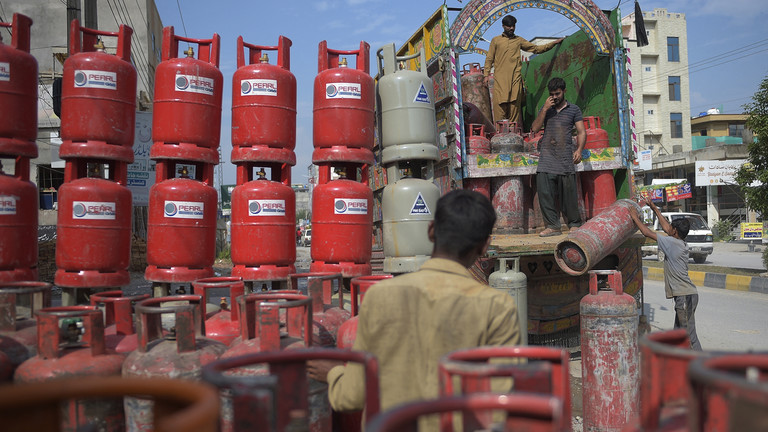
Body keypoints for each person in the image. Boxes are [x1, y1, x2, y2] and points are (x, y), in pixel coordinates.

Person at [307, 190, 521, 424]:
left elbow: (351, 397)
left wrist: (334, 373)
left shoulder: (379, 297)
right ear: (485, 246)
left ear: (431, 231)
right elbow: (502, 404)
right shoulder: (498, 307)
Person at [630, 199, 702, 351]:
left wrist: (634, 217)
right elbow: (666, 227)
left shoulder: (672, 243)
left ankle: (702, 366)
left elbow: (647, 232)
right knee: (678, 334)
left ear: (675, 231)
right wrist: (655, 209)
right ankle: (680, 366)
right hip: (685, 296)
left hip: (685, 296)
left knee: (689, 336)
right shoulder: (678, 241)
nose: (668, 228)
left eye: (671, 228)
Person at [483, 14, 564, 125]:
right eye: (509, 26)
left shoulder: (518, 40)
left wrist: (552, 44)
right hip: (500, 81)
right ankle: (499, 135)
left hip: (515, 80)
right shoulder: (496, 40)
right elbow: (489, 58)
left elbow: (535, 49)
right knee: (500, 108)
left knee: (514, 108)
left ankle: (514, 135)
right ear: (503, 26)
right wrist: (486, 74)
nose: (511, 28)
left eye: (513, 26)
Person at [531, 77, 586, 237]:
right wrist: (544, 109)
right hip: (547, 159)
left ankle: (574, 224)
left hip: (565, 159)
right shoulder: (546, 109)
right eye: (551, 94)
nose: (554, 97)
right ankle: (553, 226)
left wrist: (580, 150)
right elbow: (534, 128)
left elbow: (581, 131)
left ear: (564, 91)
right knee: (545, 194)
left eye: (557, 93)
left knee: (569, 195)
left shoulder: (574, 110)